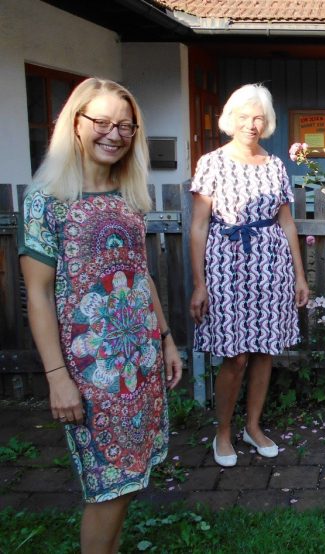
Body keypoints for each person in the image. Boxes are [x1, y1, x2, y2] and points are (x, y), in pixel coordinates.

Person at [19, 77, 183, 553]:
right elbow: (39, 294)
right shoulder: (47, 200)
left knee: (128, 480)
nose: (114, 134)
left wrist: (165, 339)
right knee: (106, 486)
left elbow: (139, 275)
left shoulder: (127, 195)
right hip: (91, 368)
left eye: (125, 126)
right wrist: (57, 378)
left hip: (138, 360)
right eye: (102, 122)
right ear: (75, 123)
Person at [189, 83, 309, 467]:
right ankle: (223, 431)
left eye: (258, 117)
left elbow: (287, 223)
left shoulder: (275, 165)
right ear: (231, 118)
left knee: (264, 351)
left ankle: (252, 427)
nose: (251, 124)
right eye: (244, 116)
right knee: (235, 356)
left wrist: (300, 276)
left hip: (271, 266)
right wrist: (199, 284)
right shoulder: (211, 162)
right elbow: (198, 225)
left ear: (266, 122)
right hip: (225, 266)